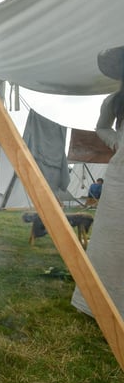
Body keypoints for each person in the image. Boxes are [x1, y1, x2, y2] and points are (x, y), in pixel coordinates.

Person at [72, 45, 124, 318]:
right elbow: (101, 127)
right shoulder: (115, 101)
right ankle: (101, 303)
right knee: (112, 238)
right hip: (121, 176)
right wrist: (117, 141)